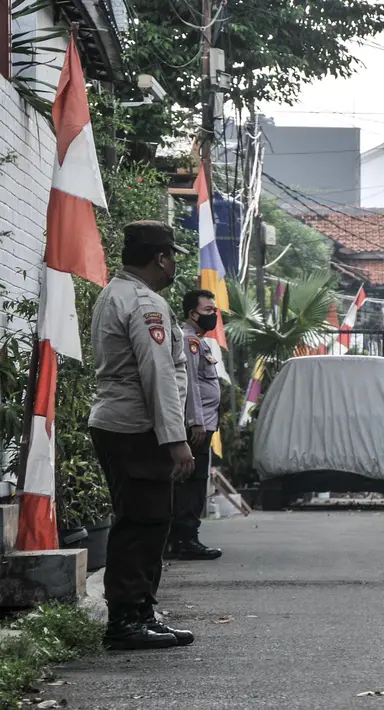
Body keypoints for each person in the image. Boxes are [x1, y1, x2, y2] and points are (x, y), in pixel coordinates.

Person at [88, 221, 196, 651]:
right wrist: (175, 439)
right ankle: (126, 622)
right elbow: (158, 374)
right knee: (142, 523)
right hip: (136, 429)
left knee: (149, 522)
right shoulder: (143, 302)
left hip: (124, 426)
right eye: (171, 259)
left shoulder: (116, 293)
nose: (172, 267)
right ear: (161, 258)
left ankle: (141, 613)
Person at [166, 289, 223, 561]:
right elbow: (190, 386)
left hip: (204, 423)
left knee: (193, 480)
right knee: (193, 482)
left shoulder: (199, 341)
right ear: (193, 313)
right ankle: (185, 540)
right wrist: (196, 422)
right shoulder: (189, 341)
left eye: (214, 309)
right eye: (209, 310)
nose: (214, 314)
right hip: (197, 427)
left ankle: (181, 538)